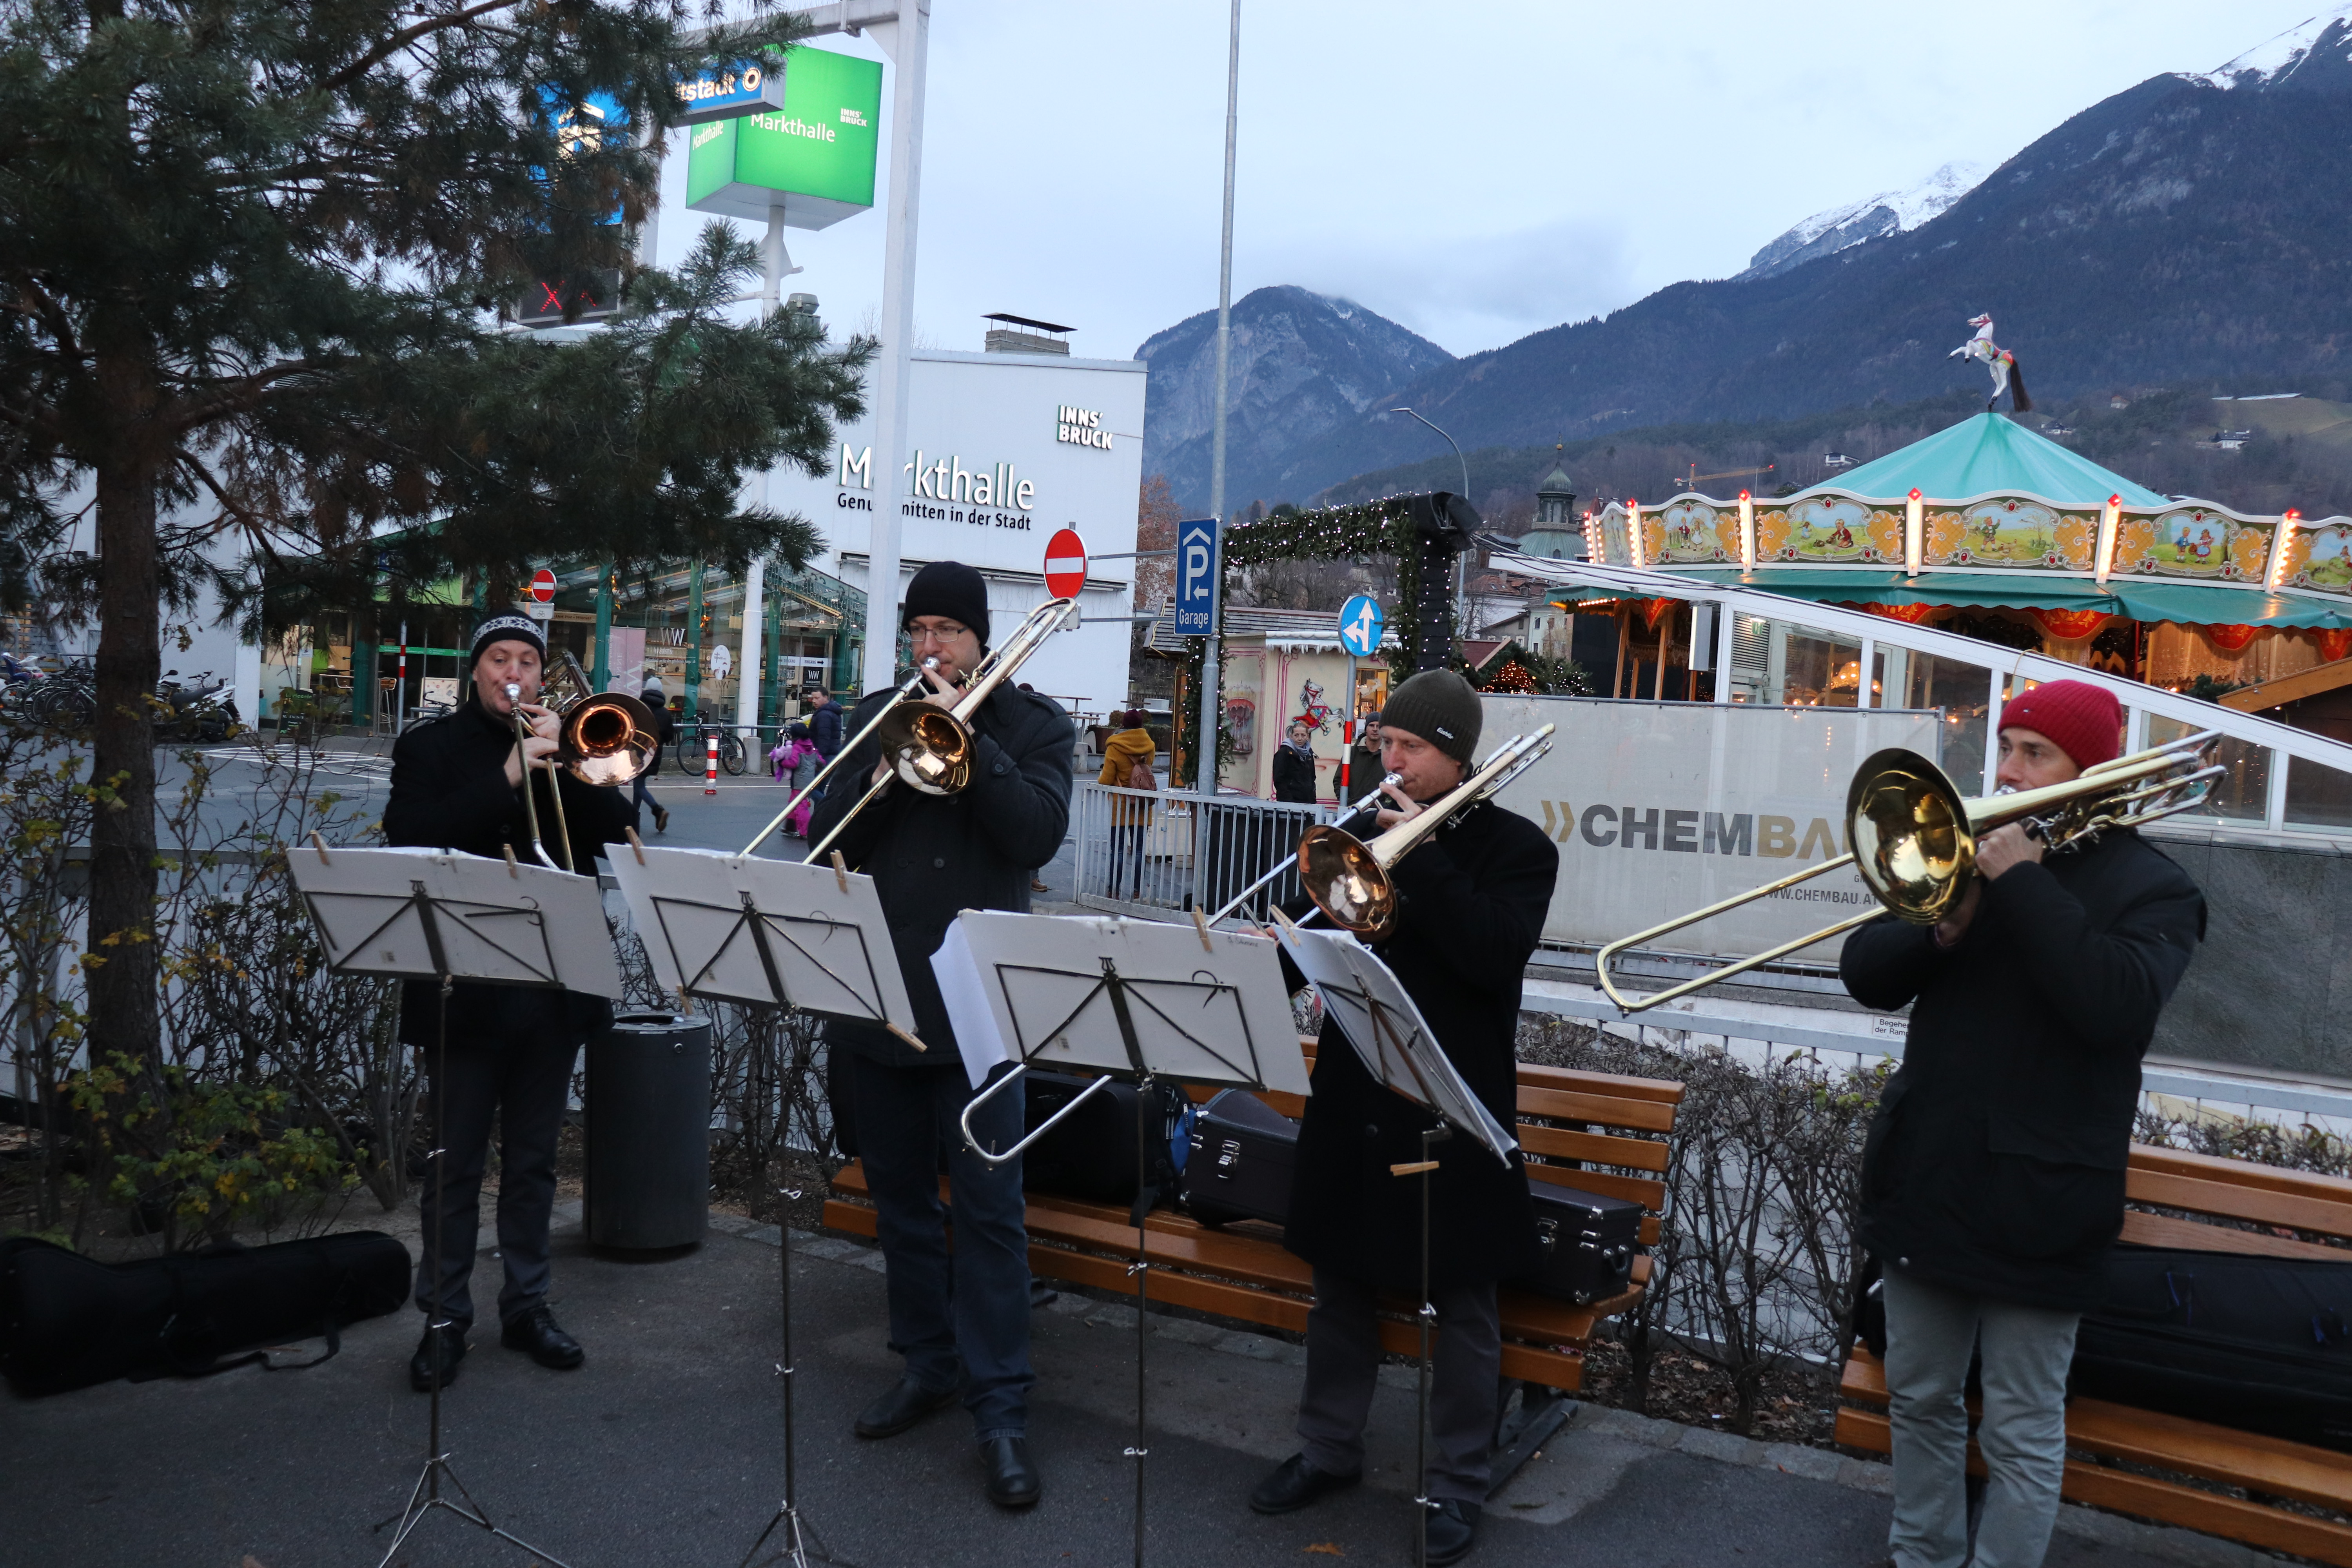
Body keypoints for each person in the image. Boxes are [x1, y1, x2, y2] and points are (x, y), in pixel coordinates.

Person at [1841, 679, 2204, 1568]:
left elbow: (2113, 1007)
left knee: (2020, 1426)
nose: (2008, 769)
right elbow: (1863, 971)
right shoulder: (1966, 858)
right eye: (2006, 745)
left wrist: (2027, 886)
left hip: (2045, 1202)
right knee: (1920, 1396)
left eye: (2035, 752)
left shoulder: (2157, 888)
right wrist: (1945, 928)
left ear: (2093, 770)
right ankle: (1921, 1556)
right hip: (1934, 1179)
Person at [1250, 670, 1558, 1566]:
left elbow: (1493, 952)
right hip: (1357, 1088)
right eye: (1385, 743)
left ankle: (1459, 1482)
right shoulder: (1358, 834)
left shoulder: (1515, 848)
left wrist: (1418, 856)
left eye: (1409, 748)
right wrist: (1255, 967)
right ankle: (1326, 1448)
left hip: (1452, 1099)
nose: (1389, 760)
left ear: (1456, 754)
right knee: (1339, 1280)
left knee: (1462, 1299)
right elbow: (1323, 946)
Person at [806, 561, 1074, 1510]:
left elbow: (1035, 835)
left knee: (992, 1214)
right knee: (904, 1206)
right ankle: (926, 1363)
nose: (930, 647)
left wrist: (970, 742)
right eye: (918, 628)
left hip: (978, 1009)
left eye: (947, 631)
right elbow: (825, 839)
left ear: (979, 637)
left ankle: (1001, 1409)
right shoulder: (875, 713)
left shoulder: (1036, 724)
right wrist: (883, 772)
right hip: (878, 995)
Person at [383, 614, 639, 1394]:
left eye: (528, 658)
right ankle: (443, 1316)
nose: (515, 671)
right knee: (453, 1164)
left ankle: (528, 1304)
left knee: (533, 1163)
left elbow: (616, 834)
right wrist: (506, 775)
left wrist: (573, 763)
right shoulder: (429, 748)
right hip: (461, 991)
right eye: (501, 658)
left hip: (551, 991)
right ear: (477, 672)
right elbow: (410, 833)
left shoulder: (567, 749)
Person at [1096, 709, 1157, 899]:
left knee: (1119, 851)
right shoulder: (1149, 746)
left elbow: (1105, 780)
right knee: (1139, 851)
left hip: (1121, 806)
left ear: (1123, 724)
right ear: (1141, 725)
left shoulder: (1115, 747)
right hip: (1141, 804)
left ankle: (1113, 890)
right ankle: (1138, 892)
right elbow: (1147, 769)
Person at [633, 676, 671, 832]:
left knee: (639, 785)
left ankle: (657, 810)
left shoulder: (639, 709)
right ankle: (633, 817)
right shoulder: (666, 713)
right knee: (639, 784)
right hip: (655, 753)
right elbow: (670, 736)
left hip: (638, 752)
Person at [1271, 718, 1319, 804]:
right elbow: (1279, 779)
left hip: (1307, 803)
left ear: (1307, 736)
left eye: (1303, 735)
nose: (1300, 739)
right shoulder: (1283, 753)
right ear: (1291, 736)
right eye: (1297, 735)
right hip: (1289, 804)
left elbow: (1312, 778)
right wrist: (1288, 800)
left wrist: (1313, 800)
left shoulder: (1309, 754)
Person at [1347, 716, 1383, 799]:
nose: (1375, 729)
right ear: (1366, 729)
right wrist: (1349, 801)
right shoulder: (1352, 752)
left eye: (1379, 726)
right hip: (1355, 807)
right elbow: (1340, 780)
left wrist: (1386, 805)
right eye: (1371, 725)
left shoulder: (1389, 754)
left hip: (1381, 810)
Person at [805, 685, 842, 762]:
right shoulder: (831, 712)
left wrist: (819, 757)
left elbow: (824, 737)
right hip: (833, 753)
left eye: (817, 698)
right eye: (813, 699)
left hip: (826, 756)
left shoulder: (824, 715)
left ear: (825, 698)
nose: (814, 701)